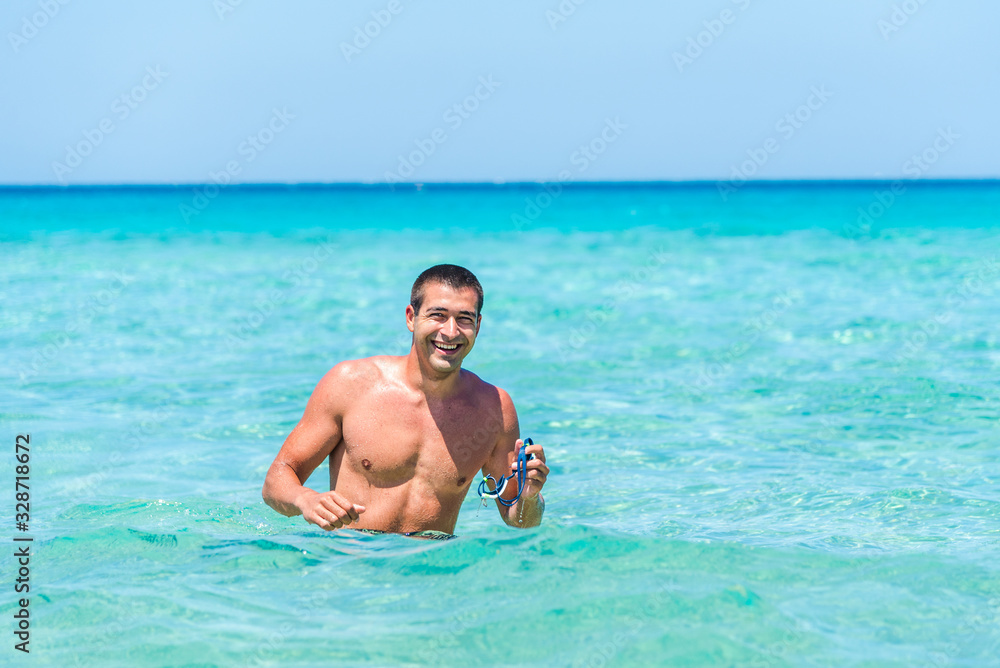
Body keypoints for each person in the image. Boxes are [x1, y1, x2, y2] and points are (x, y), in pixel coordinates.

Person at [261, 264, 548, 538]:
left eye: (464, 319)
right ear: (411, 317)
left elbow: (519, 520)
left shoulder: (494, 408)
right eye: (437, 315)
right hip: (353, 561)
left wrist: (530, 497)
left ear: (478, 324)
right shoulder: (349, 384)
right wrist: (306, 500)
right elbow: (276, 480)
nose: (450, 332)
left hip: (432, 565)